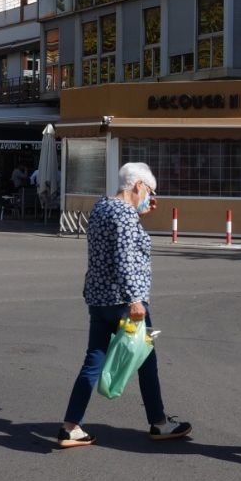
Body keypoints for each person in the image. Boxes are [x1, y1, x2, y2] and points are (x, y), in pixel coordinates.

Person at [57, 162, 191, 448]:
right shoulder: (126, 216)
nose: (150, 197)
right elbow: (125, 259)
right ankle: (159, 423)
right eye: (149, 191)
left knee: (93, 360)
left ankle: (71, 425)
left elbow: (110, 247)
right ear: (138, 185)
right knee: (146, 361)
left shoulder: (102, 208)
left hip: (98, 297)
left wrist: (137, 213)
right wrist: (135, 299)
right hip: (125, 301)